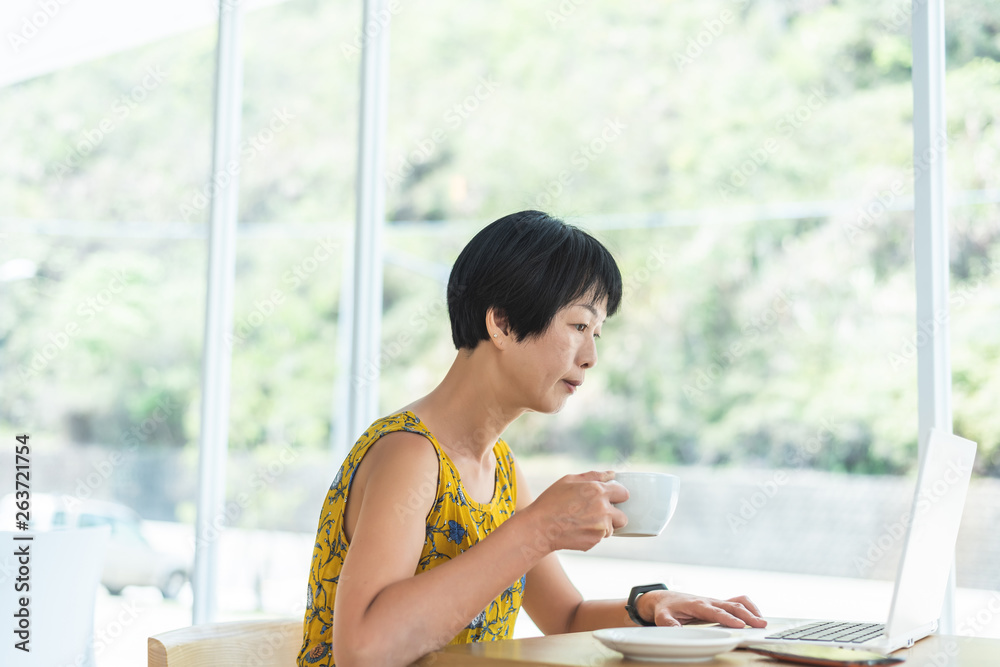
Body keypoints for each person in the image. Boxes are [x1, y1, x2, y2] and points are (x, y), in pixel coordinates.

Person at [297, 210, 766, 667]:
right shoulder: (410, 454)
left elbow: (567, 617)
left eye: (597, 332)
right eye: (579, 326)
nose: (591, 356)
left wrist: (648, 605)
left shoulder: (500, 467)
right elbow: (363, 652)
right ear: (500, 323)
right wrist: (539, 529)